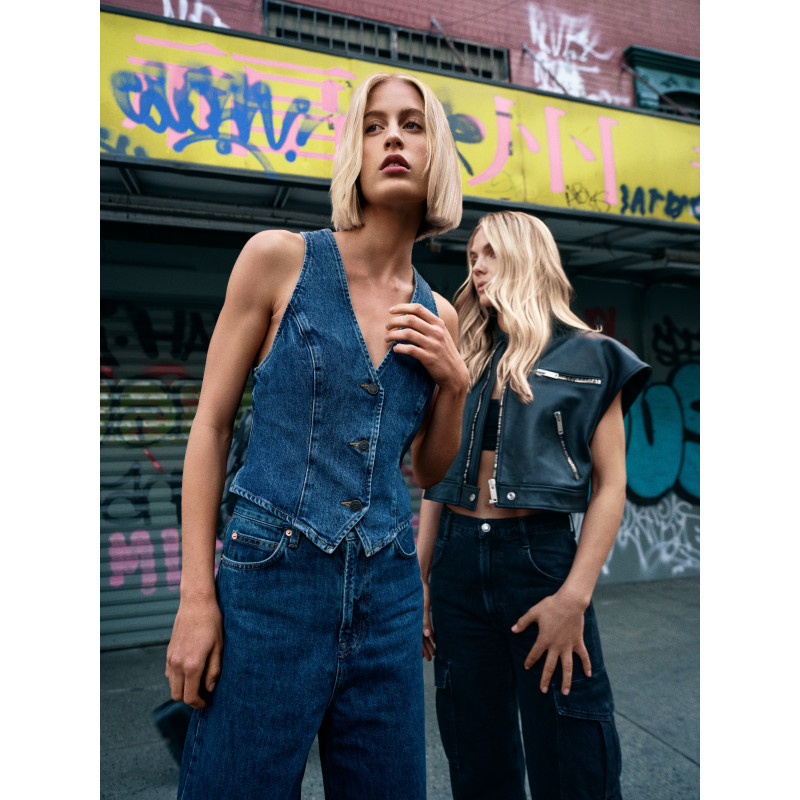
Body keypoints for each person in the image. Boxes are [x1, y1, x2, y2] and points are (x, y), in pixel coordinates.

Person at [165, 71, 468, 800]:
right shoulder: (278, 259)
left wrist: (455, 385)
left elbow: (428, 472)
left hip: (390, 592)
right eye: (373, 124)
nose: (392, 137)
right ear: (352, 153)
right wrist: (196, 598)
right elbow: (210, 425)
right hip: (270, 583)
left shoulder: (441, 316)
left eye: (412, 124)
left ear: (436, 152)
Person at [418, 211, 652, 800]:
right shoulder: (464, 353)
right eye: (472, 255)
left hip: (540, 562)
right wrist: (420, 578)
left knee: (574, 760)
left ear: (526, 256)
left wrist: (574, 597)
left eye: (491, 253)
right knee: (476, 757)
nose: (476, 266)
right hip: (455, 565)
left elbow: (611, 485)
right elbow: (437, 479)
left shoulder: (593, 356)